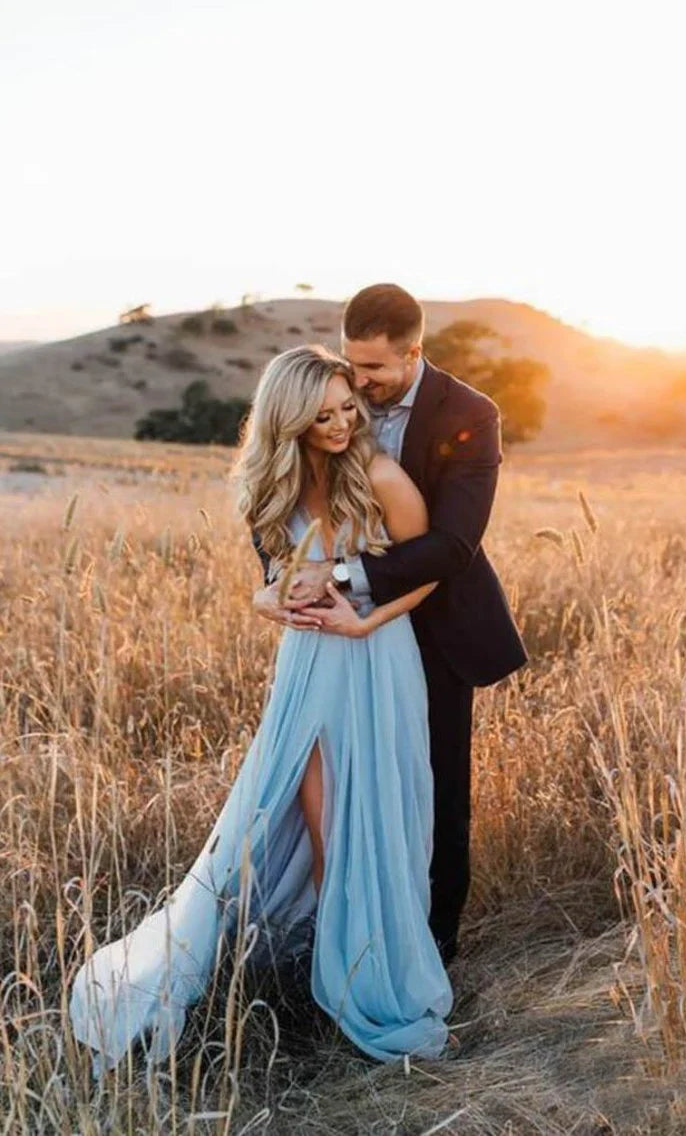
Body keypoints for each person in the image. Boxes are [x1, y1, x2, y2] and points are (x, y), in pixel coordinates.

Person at [68, 344, 453, 1076]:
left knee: (369, 814)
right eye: (325, 414)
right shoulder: (276, 486)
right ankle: (322, 960)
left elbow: (429, 569)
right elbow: (273, 574)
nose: (343, 423)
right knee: (304, 813)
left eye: (349, 408)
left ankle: (358, 980)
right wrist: (265, 595)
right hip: (307, 661)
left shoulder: (381, 473)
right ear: (290, 419)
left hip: (374, 657)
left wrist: (365, 621)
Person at [253, 284, 529, 964]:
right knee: (332, 783)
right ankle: (330, 932)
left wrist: (342, 581)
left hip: (441, 623)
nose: (360, 383)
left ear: (414, 353)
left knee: (434, 789)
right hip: (338, 637)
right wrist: (274, 584)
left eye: (374, 370)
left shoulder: (469, 413)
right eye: (353, 364)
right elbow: (281, 502)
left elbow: (454, 545)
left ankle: (431, 947)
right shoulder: (340, 403)